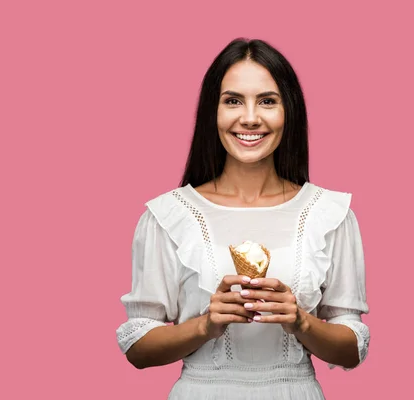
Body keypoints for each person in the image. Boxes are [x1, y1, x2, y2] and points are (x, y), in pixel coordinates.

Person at [115, 38, 370, 399]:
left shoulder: (331, 214)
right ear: (212, 112)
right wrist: (205, 325)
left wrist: (301, 321)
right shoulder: (167, 216)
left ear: (289, 111)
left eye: (267, 101)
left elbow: (352, 348)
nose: (249, 117)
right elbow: (137, 347)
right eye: (233, 100)